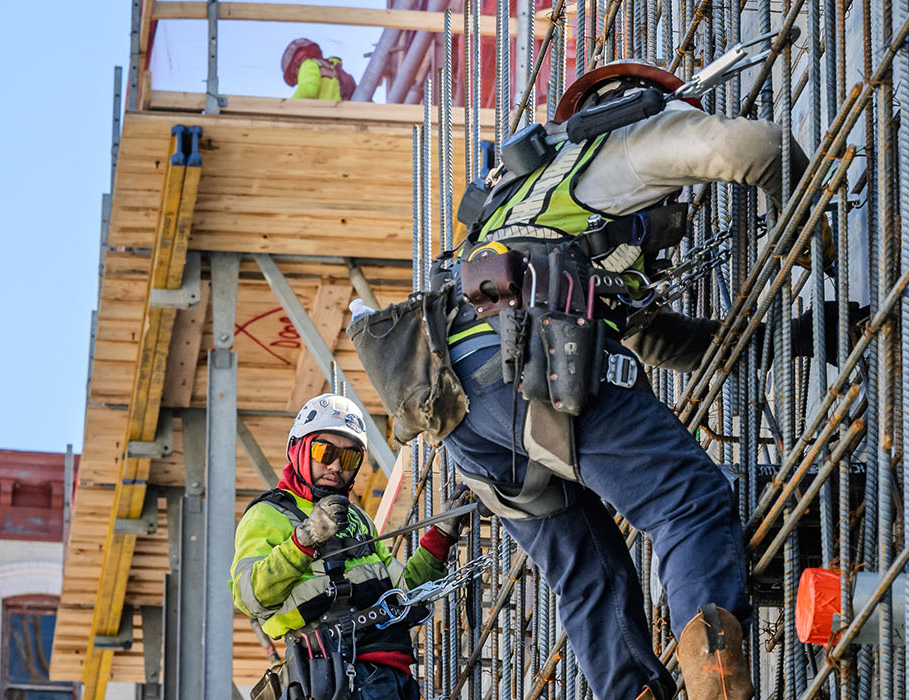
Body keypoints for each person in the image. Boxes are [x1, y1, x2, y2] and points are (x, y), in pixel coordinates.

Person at [441, 59, 844, 700]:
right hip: (533, 358)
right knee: (687, 504)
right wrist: (826, 245)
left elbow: (655, 340)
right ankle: (717, 689)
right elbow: (756, 147)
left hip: (466, 410)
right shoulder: (621, 137)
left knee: (591, 582)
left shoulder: (519, 203)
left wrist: (781, 342)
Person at [232, 393, 466, 700]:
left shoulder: (358, 519)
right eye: (324, 450)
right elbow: (251, 596)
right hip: (338, 676)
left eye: (350, 457)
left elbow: (407, 594)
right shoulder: (268, 515)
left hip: (393, 675)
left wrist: (441, 536)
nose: (335, 465)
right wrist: (304, 539)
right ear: (298, 449)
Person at [282, 38, 356, 101]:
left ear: (295, 65)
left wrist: (285, 109)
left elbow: (307, 91)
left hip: (326, 114)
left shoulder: (308, 64)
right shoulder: (332, 68)